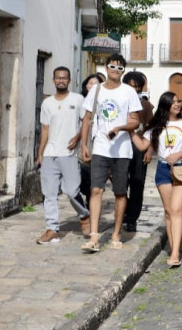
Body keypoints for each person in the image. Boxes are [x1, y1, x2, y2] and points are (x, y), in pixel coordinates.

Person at [79, 54, 142, 252]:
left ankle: (116, 233)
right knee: (96, 189)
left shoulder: (129, 92)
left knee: (120, 192)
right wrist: (83, 145)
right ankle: (94, 236)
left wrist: (120, 128)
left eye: (120, 67)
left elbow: (135, 121)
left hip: (122, 150)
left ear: (123, 71)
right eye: (113, 66)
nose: (116, 69)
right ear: (106, 68)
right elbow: (87, 119)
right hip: (100, 147)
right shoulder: (96, 90)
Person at [129, 92, 182, 266]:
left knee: (176, 209)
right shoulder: (157, 125)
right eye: (173, 102)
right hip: (163, 169)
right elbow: (143, 145)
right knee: (168, 211)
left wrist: (179, 153)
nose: (177, 104)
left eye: (178, 101)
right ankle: (174, 247)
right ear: (165, 105)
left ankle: (174, 254)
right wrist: (130, 131)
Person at [35, 66, 90, 244]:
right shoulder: (47, 103)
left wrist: (79, 138)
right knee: (49, 193)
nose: (61, 80)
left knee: (72, 190)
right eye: (58, 78)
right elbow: (45, 129)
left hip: (69, 154)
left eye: (64, 78)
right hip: (50, 153)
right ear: (53, 80)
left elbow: (85, 122)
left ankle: (84, 214)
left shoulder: (78, 99)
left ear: (69, 80)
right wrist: (40, 153)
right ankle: (52, 229)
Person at [122, 71, 154, 232]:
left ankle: (132, 218)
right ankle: (124, 210)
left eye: (137, 86)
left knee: (137, 184)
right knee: (120, 183)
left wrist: (149, 149)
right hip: (121, 146)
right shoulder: (119, 102)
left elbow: (152, 129)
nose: (133, 89)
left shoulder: (145, 105)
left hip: (139, 148)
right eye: (130, 85)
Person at [78, 73, 105, 202]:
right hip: (77, 143)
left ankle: (91, 201)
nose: (92, 86)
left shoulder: (102, 101)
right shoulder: (79, 100)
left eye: (96, 84)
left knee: (90, 174)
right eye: (90, 83)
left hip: (93, 141)